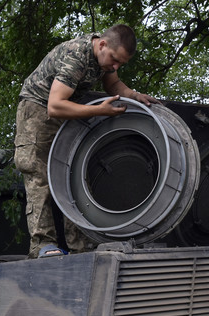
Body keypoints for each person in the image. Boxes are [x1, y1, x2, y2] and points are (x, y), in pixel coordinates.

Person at [14, 24, 159, 258]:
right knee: (39, 177)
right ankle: (43, 245)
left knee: (74, 176)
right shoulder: (77, 57)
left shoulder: (104, 58)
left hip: (66, 113)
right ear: (102, 44)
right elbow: (55, 106)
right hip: (37, 111)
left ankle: (81, 246)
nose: (115, 67)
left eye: (120, 64)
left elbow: (113, 85)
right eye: (114, 60)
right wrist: (97, 111)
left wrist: (134, 95)